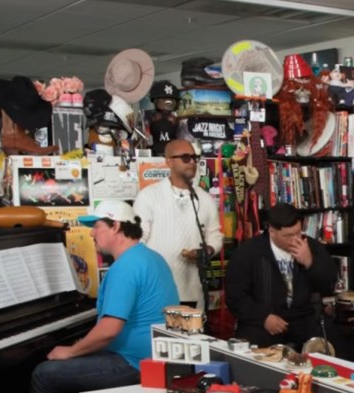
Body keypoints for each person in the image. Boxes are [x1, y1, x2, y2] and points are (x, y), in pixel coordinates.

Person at [0, 200, 178, 393]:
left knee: (44, 374)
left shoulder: (125, 267)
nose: (91, 233)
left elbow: (108, 330)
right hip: (154, 356)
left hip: (135, 364)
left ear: (116, 227)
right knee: (65, 362)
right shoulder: (149, 257)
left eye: (96, 226)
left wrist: (71, 350)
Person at [225, 203, 337, 347]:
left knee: (333, 341)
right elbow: (235, 297)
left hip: (304, 317)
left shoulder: (312, 247)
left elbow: (329, 284)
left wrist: (309, 262)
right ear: (272, 231)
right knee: (250, 345)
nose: (295, 239)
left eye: (298, 232)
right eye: (288, 235)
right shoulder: (248, 252)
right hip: (263, 319)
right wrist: (263, 318)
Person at [133, 139, 223, 308]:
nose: (192, 162)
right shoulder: (148, 196)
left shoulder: (205, 199)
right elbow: (138, 240)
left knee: (191, 325)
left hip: (192, 290)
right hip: (155, 290)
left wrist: (206, 251)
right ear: (169, 162)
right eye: (185, 158)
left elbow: (215, 236)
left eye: (195, 158)